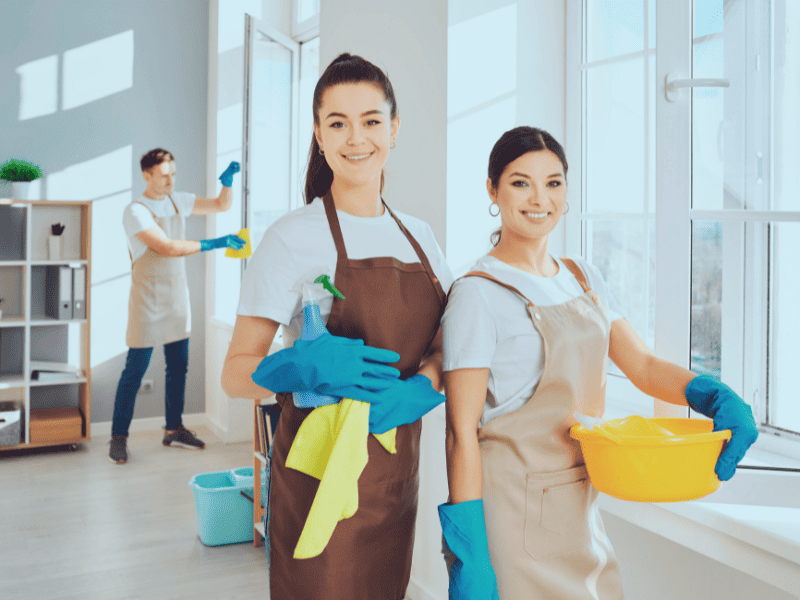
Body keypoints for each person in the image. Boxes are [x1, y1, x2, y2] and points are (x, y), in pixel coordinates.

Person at [438, 126, 759, 599]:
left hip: (579, 504)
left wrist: (710, 394)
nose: (539, 198)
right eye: (521, 182)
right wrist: (469, 552)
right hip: (510, 512)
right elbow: (459, 432)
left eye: (553, 183)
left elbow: (642, 366)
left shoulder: (582, 276)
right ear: (493, 190)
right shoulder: (476, 294)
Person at [221, 53, 455, 600]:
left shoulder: (420, 237)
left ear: (394, 129)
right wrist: (299, 368)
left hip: (394, 475)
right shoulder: (290, 238)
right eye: (338, 123)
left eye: (371, 120)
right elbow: (234, 374)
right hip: (316, 479)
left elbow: (450, 345)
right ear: (319, 135)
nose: (356, 138)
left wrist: (424, 386)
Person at [109, 149, 245, 464]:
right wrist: (215, 243)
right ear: (146, 176)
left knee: (178, 366)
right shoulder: (135, 210)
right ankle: (118, 438)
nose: (170, 180)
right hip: (147, 300)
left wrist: (227, 183)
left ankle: (173, 429)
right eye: (163, 175)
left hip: (176, 298)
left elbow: (221, 205)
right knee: (134, 370)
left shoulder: (177, 200)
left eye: (173, 173)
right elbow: (166, 247)